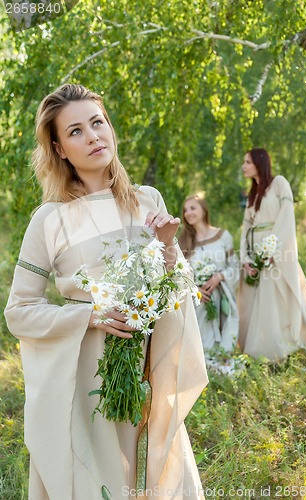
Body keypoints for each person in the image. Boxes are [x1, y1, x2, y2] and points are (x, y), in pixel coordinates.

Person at [4, 83, 208, 500]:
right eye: (75, 131)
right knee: (98, 484)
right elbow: (19, 311)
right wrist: (88, 315)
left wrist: (168, 246)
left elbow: (176, 290)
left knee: (141, 478)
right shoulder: (49, 219)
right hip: (85, 378)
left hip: (144, 370)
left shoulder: (146, 200)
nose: (93, 136)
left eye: (97, 123)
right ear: (59, 148)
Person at [238, 147, 306, 361]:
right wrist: (246, 258)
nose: (243, 166)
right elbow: (246, 230)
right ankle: (267, 353)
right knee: (262, 304)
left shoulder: (279, 183)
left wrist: (272, 251)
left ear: (259, 163)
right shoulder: (252, 195)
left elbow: (286, 217)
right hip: (257, 258)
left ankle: (291, 348)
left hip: (276, 255)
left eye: (247, 162)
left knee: (284, 298)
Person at [179, 194, 239, 362]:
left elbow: (234, 266)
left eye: (192, 208)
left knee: (226, 333)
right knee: (202, 343)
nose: (188, 213)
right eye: (185, 210)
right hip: (199, 300)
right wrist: (194, 289)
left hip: (222, 295)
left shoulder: (223, 236)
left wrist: (219, 276)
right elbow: (178, 274)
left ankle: (223, 358)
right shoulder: (183, 242)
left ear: (204, 210)